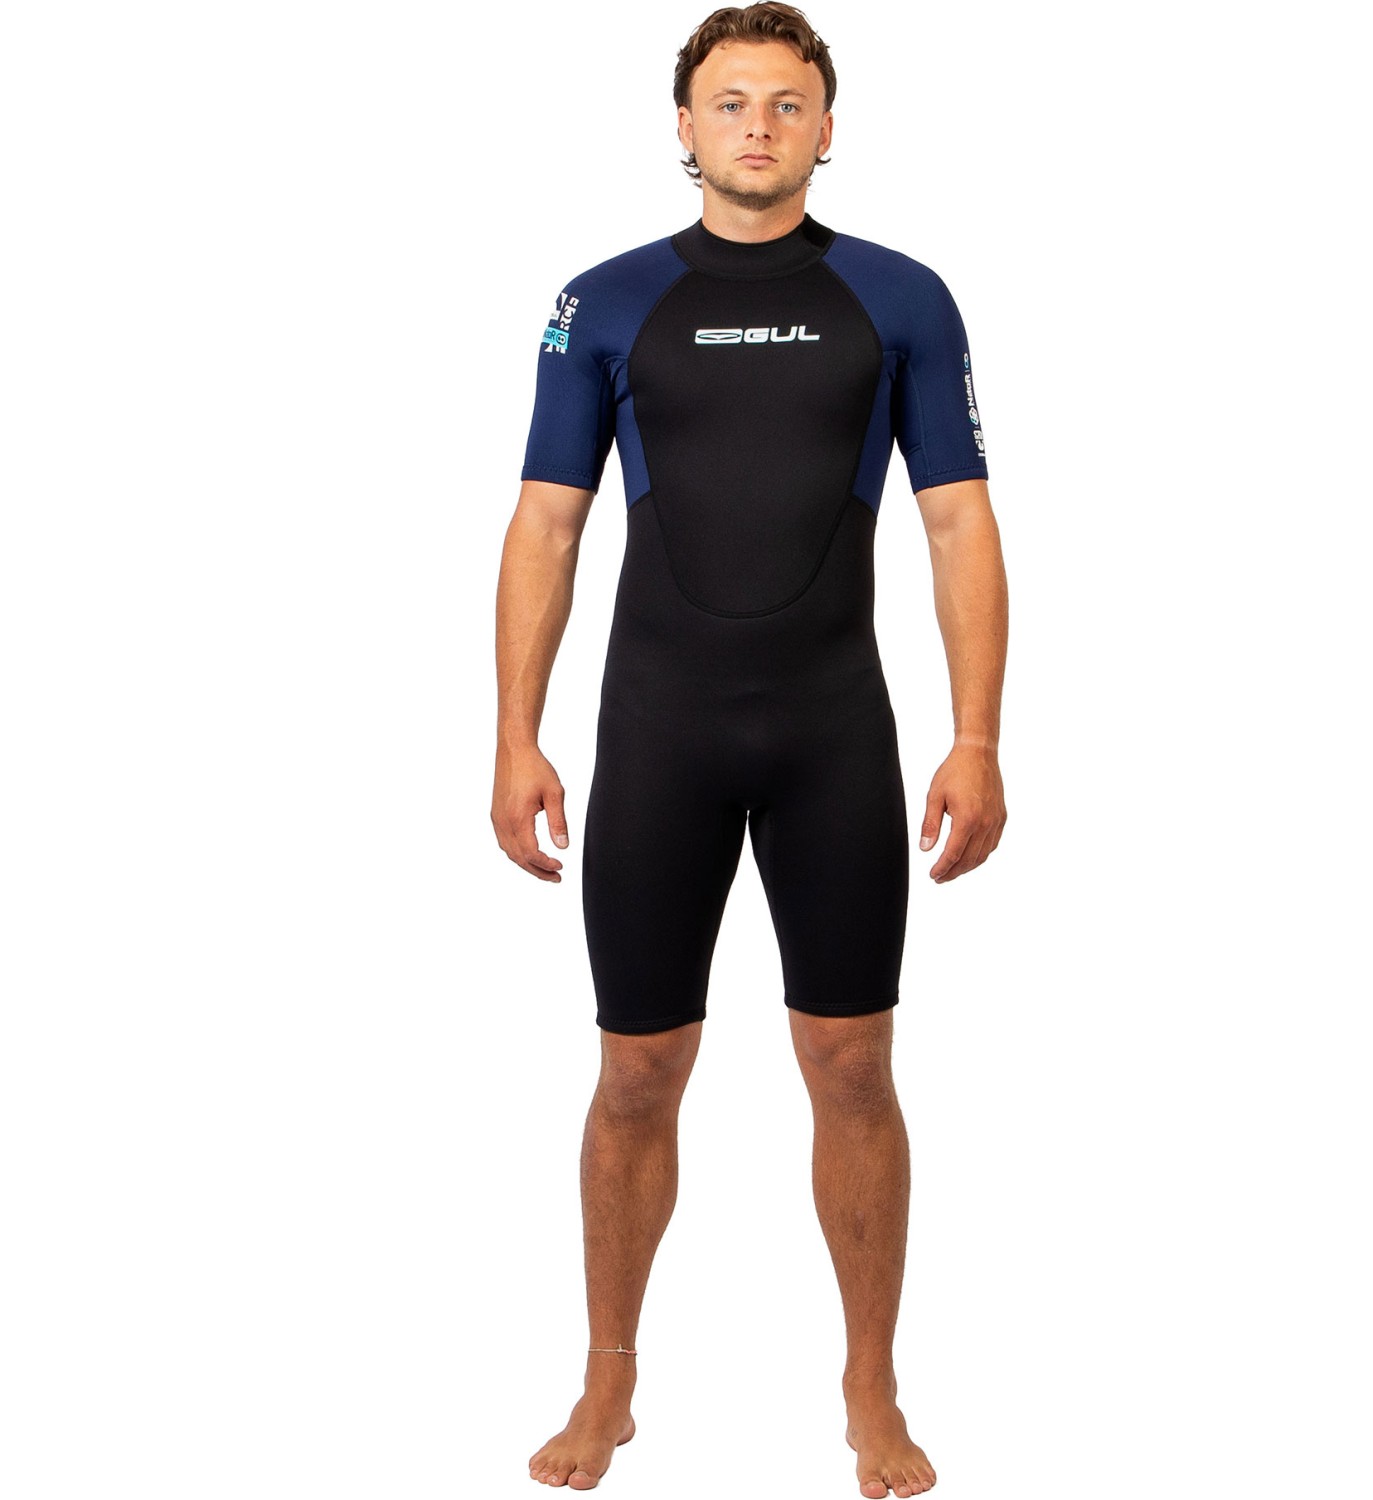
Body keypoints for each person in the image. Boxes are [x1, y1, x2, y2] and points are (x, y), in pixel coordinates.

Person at [491, 5, 1007, 1493]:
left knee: (853, 1064)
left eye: (788, 103)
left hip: (832, 730)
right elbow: (546, 523)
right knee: (635, 1073)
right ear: (685, 127)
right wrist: (515, 734)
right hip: (658, 732)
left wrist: (977, 735)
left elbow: (959, 522)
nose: (760, 126)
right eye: (731, 103)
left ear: (828, 128)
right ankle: (609, 1379)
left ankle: (869, 1385)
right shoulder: (600, 303)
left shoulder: (901, 298)